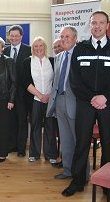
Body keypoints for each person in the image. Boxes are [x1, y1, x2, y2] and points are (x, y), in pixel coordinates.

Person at [62, 11, 110, 202]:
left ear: (107, 25)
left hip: (109, 104)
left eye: (101, 23)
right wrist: (92, 98)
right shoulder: (81, 48)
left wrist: (105, 97)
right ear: (90, 25)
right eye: (94, 23)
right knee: (81, 144)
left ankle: (109, 187)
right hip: (85, 104)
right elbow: (75, 79)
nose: (97, 26)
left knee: (107, 144)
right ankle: (78, 181)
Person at [47, 26, 78, 178]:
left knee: (78, 141)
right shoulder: (59, 57)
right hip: (59, 101)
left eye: (67, 36)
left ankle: (80, 175)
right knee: (64, 139)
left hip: (74, 103)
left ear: (75, 39)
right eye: (62, 36)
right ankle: (67, 170)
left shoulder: (80, 55)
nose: (64, 39)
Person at [22, 36, 57, 163]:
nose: (38, 48)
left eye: (41, 45)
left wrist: (48, 96)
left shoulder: (53, 61)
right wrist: (40, 96)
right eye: (35, 46)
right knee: (35, 127)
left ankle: (50, 155)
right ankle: (34, 154)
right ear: (33, 48)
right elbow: (26, 82)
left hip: (50, 99)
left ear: (45, 47)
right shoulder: (27, 61)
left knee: (50, 127)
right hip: (35, 100)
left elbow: (56, 81)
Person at [3, 25, 31, 157]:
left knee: (21, 121)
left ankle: (21, 149)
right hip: (7, 93)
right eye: (11, 36)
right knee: (9, 120)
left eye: (16, 36)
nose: (13, 38)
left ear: (21, 36)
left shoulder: (29, 50)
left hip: (23, 93)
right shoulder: (4, 50)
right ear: (8, 36)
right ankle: (10, 145)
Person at [50, 38, 64, 169]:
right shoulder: (55, 60)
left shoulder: (69, 60)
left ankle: (67, 161)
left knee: (67, 135)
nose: (57, 49)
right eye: (55, 47)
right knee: (60, 133)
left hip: (68, 104)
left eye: (59, 46)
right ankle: (64, 160)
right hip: (56, 103)